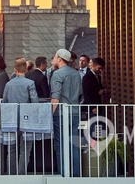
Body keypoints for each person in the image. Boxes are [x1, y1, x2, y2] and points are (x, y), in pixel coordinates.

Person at [2, 58, 39, 175]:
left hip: (11, 120)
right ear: (26, 70)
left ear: (15, 70)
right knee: (25, 151)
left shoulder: (8, 84)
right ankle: (22, 175)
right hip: (26, 120)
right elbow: (35, 101)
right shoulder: (30, 83)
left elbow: (4, 101)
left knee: (11, 150)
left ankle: (12, 175)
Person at [50, 48, 81, 177]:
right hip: (74, 112)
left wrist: (49, 114)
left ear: (59, 59)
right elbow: (80, 94)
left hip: (61, 113)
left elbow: (55, 97)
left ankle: (63, 174)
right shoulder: (76, 74)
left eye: (55, 57)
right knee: (73, 143)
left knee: (60, 144)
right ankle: (75, 174)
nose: (54, 59)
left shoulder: (57, 74)